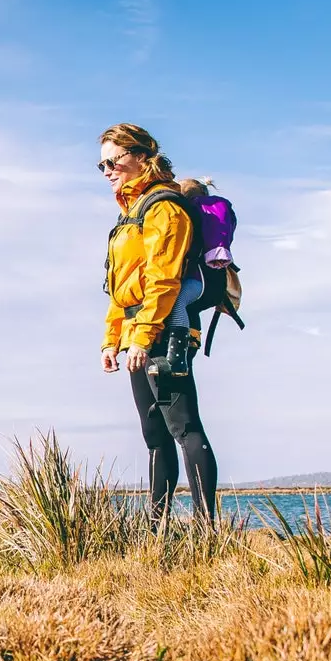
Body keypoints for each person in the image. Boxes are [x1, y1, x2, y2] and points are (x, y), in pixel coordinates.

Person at [97, 123, 218, 523]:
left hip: (165, 330)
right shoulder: (128, 213)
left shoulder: (163, 208)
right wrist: (112, 340)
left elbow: (163, 280)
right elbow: (121, 288)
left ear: (142, 156)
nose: (108, 170)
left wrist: (145, 338)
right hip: (136, 334)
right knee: (154, 437)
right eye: (101, 165)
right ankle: (157, 528)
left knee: (184, 428)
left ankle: (206, 530)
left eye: (114, 160)